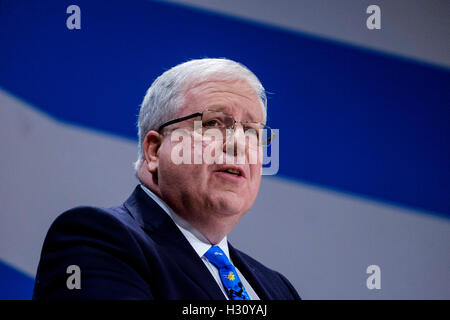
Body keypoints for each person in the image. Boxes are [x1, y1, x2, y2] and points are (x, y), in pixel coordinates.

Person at [32, 58, 301, 300]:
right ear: (154, 150)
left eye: (252, 132)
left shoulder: (278, 289)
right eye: (213, 123)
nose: (238, 144)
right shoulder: (96, 241)